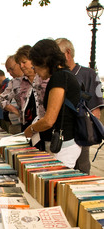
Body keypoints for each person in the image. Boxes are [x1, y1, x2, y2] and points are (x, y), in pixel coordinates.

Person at [23, 39, 81, 169]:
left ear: (44, 61)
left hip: (64, 145)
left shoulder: (59, 78)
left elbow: (49, 120)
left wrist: (31, 129)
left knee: (56, 185)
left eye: (35, 66)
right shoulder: (65, 75)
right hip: (66, 143)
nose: (35, 71)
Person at [56, 38, 104, 174]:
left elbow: (96, 109)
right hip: (61, 132)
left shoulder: (88, 74)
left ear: (68, 53)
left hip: (80, 131)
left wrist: (87, 134)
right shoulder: (57, 75)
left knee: (81, 169)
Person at [0, 55, 24, 133]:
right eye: (8, 71)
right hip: (17, 125)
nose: (10, 73)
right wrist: (14, 110)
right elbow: (1, 98)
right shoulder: (14, 82)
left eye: (12, 69)